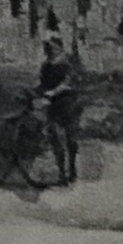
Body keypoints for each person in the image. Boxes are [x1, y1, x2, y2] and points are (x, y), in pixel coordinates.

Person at [32, 35, 85, 190]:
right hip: (52, 105)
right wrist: (36, 91)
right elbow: (43, 84)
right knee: (55, 138)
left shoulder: (67, 64)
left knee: (70, 138)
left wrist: (54, 92)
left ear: (60, 48)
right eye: (47, 48)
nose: (49, 51)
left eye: (53, 48)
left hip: (68, 103)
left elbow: (67, 82)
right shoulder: (46, 66)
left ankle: (72, 170)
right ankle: (62, 173)